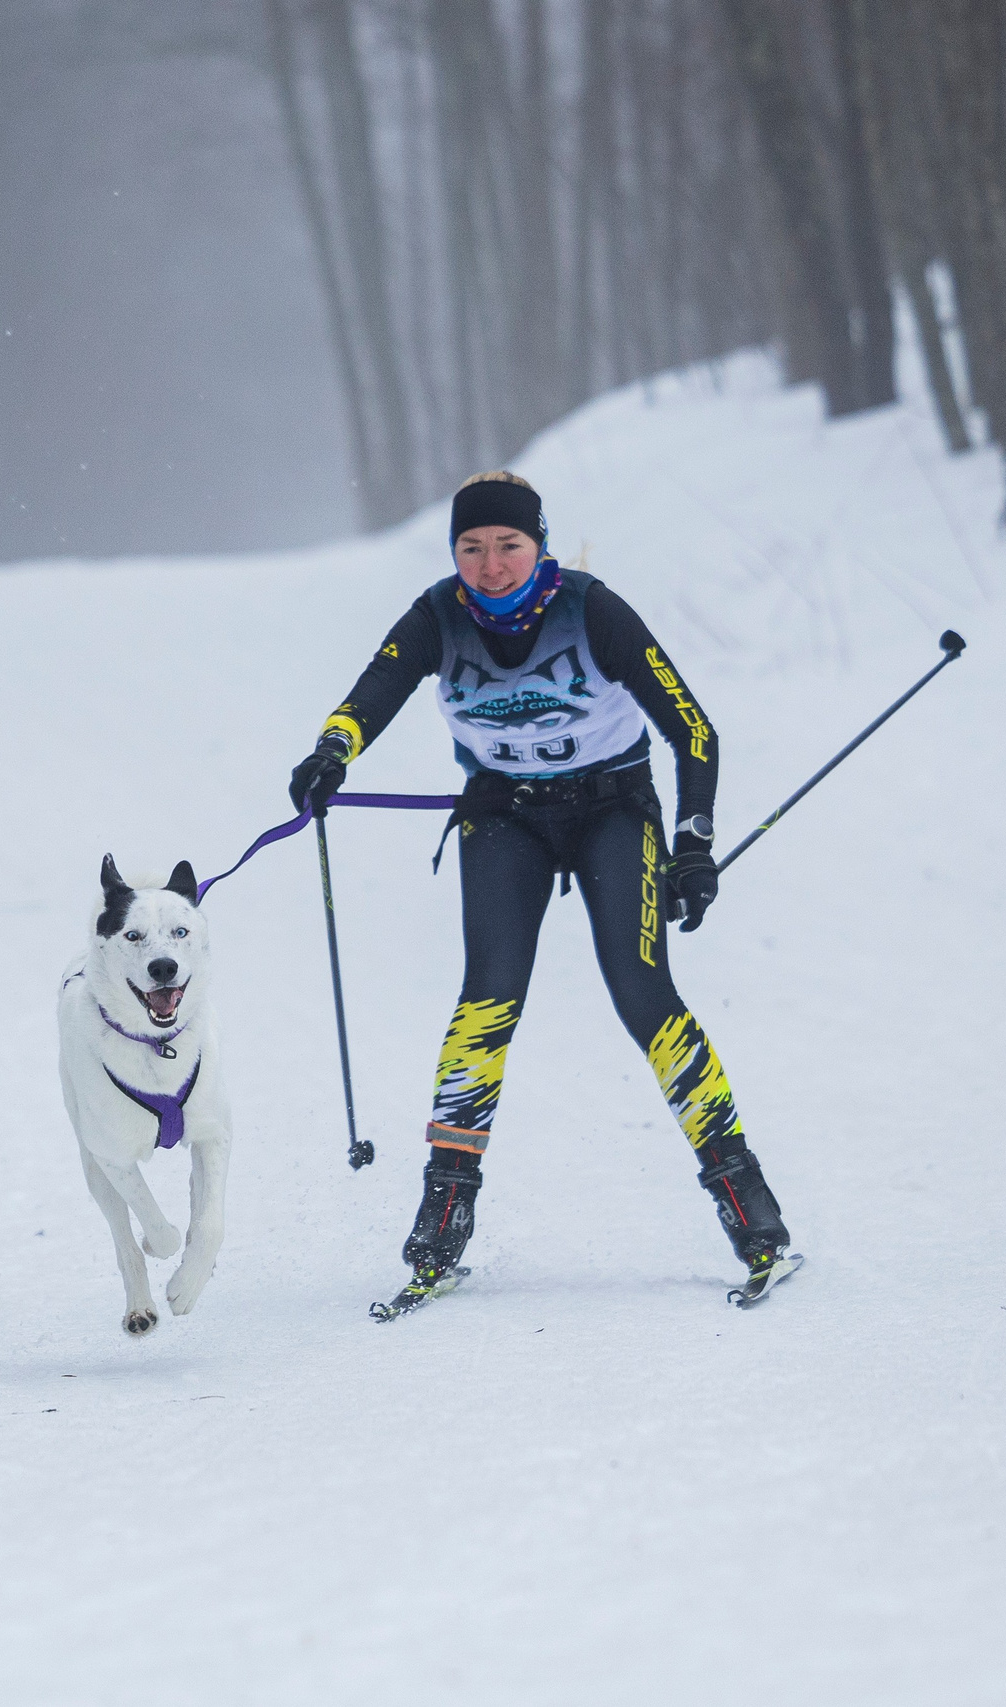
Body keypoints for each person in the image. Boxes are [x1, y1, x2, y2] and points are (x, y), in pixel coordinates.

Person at [286, 470, 788, 1296]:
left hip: (612, 809)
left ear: (540, 545)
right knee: (486, 998)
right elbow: (372, 693)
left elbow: (693, 729)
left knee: (644, 994)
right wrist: (332, 750)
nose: (489, 566)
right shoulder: (437, 615)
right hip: (504, 817)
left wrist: (693, 844)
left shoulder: (593, 609)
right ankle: (441, 1222)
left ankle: (749, 1207)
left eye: (508, 546)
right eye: (472, 548)